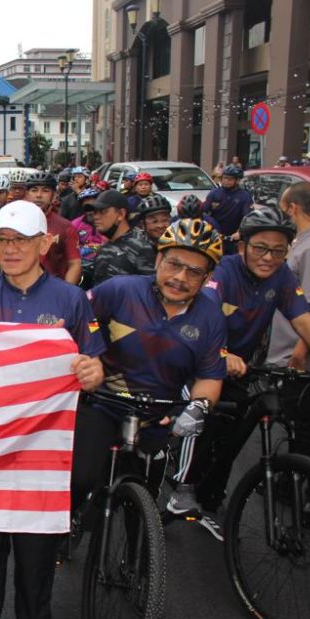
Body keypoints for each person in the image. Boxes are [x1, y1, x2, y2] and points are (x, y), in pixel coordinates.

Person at [0, 200, 105, 619]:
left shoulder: (72, 298)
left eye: (21, 240)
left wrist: (92, 371)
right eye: (2, 240)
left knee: (35, 539)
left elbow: (94, 360)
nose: (11, 249)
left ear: (45, 244)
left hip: (44, 438)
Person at [171, 206, 310, 520]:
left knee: (234, 435)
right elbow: (205, 316)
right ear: (243, 246)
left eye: (278, 250)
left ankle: (213, 492)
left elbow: (303, 320)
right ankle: (182, 488)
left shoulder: (283, 276)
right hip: (200, 360)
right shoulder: (223, 271)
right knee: (202, 420)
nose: (269, 258)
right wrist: (223, 353)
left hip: (241, 368)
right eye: (260, 248)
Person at [76, 218, 227, 526]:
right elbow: (76, 320)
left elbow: (211, 375)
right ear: (158, 259)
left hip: (158, 416)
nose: (180, 277)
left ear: (207, 277)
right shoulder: (120, 290)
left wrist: (199, 407)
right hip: (104, 402)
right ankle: (68, 523)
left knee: (142, 515)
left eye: (194, 271)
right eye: (173, 264)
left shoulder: (211, 317)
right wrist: (85, 357)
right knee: (82, 478)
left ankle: (135, 565)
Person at [264, 182, 310, 508]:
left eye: (283, 208)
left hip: (299, 357)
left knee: (302, 426)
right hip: (288, 352)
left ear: (292, 208)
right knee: (292, 422)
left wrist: (302, 351)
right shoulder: (305, 243)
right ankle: (287, 483)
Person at [24, 172, 82, 286]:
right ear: (26, 194)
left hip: (54, 290)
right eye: (34, 190)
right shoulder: (15, 223)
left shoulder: (65, 226)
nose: (39, 195)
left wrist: (65, 294)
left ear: (54, 195)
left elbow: (75, 264)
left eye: (45, 190)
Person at [90, 191, 156, 285]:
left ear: (121, 214)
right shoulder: (105, 246)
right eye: (95, 212)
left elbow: (152, 289)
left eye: (103, 211)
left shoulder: (141, 246)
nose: (96, 217)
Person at [203, 164, 252, 252]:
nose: (226, 181)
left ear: (237, 181)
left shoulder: (244, 196)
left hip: (232, 239)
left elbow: (247, 218)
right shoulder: (214, 193)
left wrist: (239, 232)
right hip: (213, 237)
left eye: (230, 179)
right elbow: (204, 212)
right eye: (224, 178)